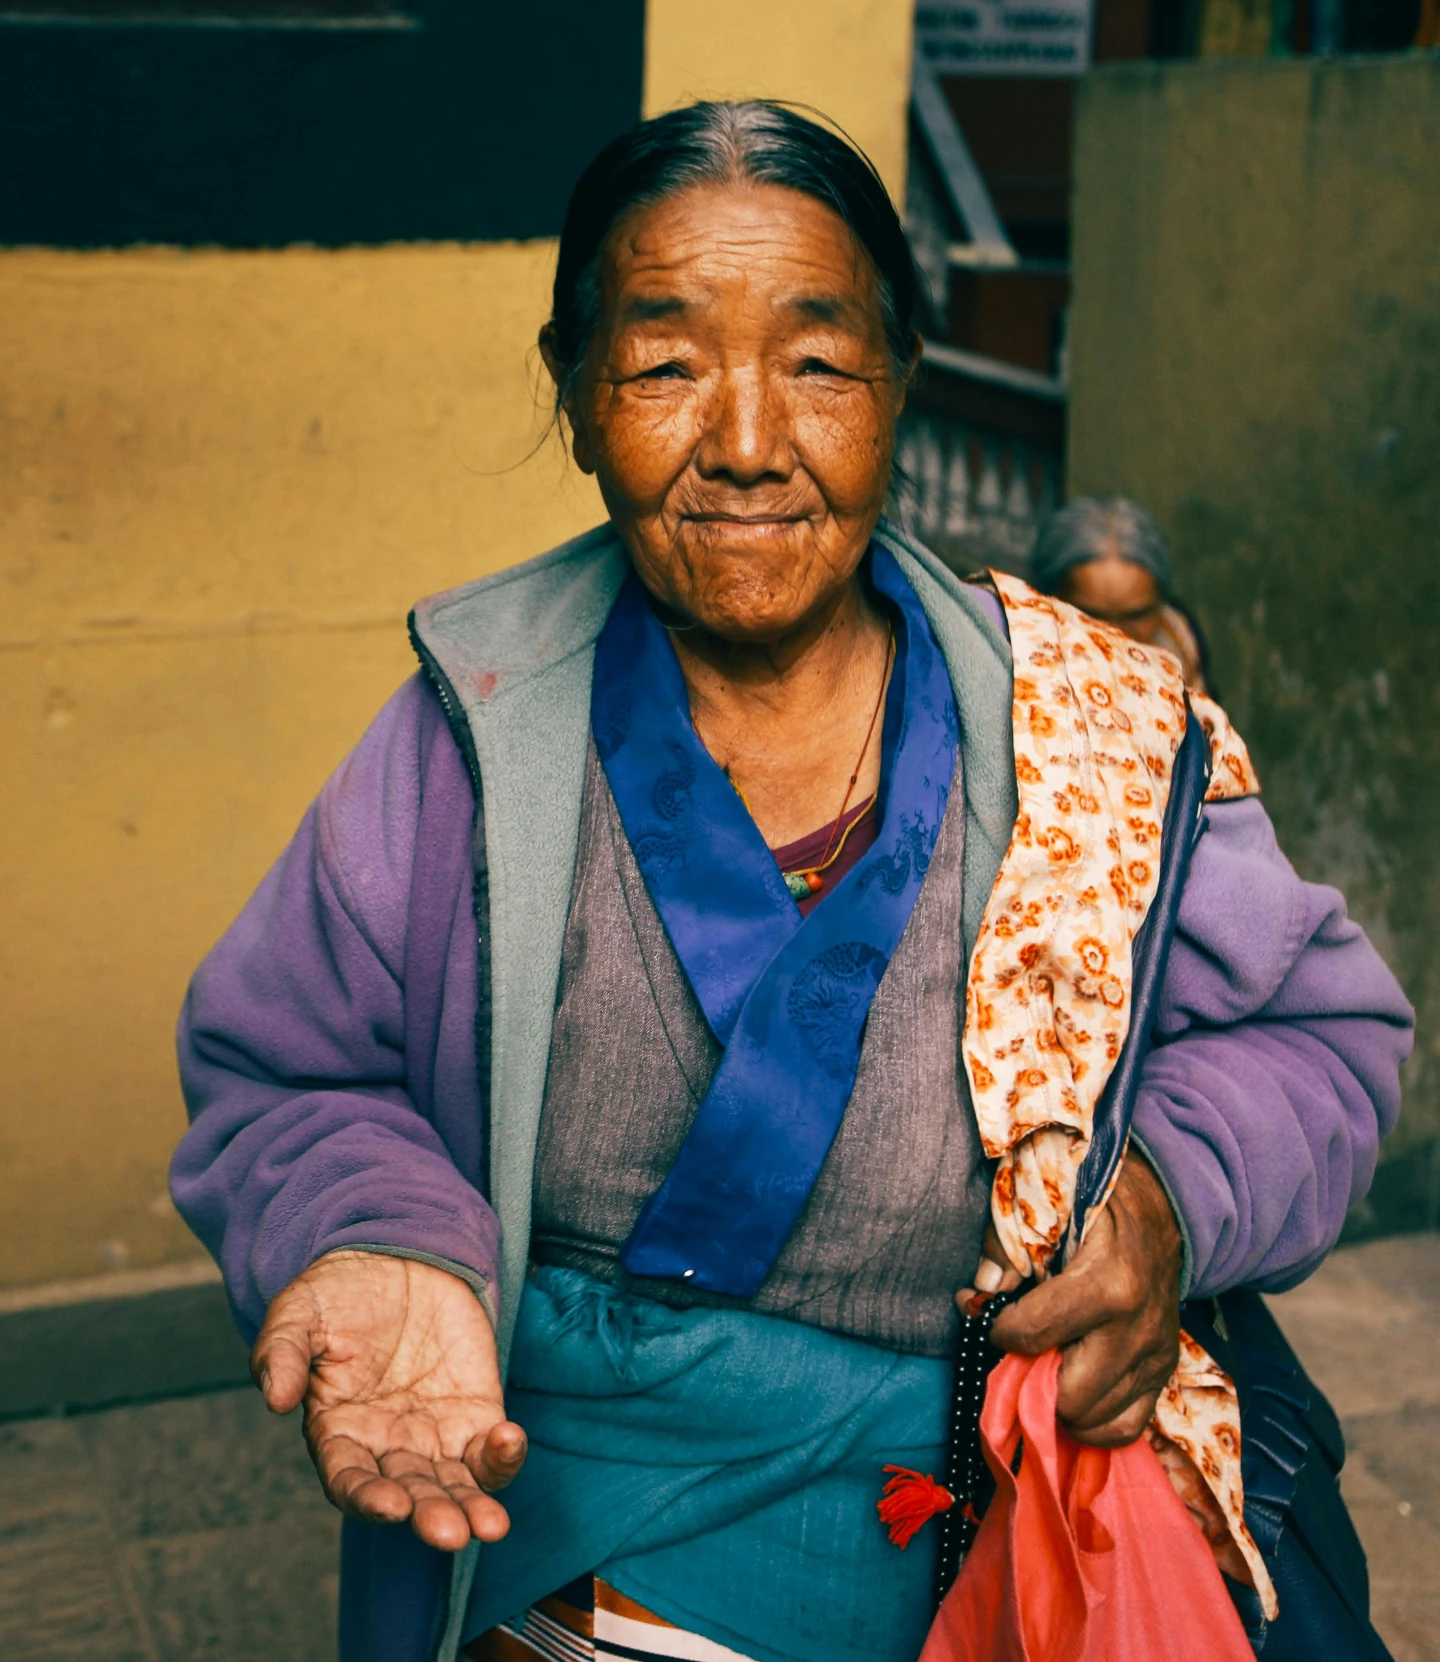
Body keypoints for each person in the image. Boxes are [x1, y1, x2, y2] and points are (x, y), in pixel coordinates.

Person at [171, 102, 1411, 1662]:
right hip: (579, 1539)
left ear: (902, 386)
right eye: (665, 362)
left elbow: (1329, 1037)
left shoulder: (1087, 724)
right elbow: (286, 1066)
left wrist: (1169, 1195)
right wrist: (375, 1234)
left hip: (1013, 1543)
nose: (748, 441)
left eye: (819, 363)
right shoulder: (465, 740)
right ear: (572, 393)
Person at [1028, 495, 1213, 693]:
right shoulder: (1023, 660)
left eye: (1135, 616)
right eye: (1089, 616)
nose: (1114, 637)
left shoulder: (1180, 645)